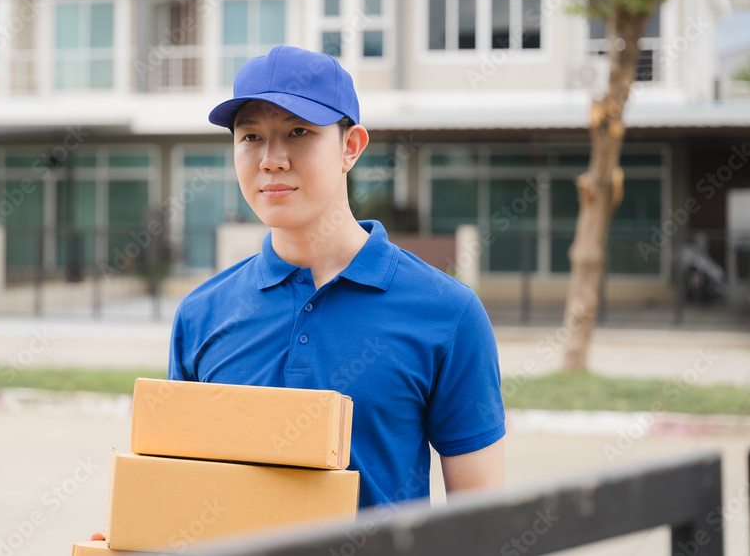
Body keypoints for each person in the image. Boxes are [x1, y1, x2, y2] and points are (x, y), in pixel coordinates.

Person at [166, 46, 506, 510]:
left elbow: (482, 525)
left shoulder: (448, 313)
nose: (271, 159)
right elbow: (182, 498)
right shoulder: (201, 314)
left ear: (350, 147)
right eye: (250, 137)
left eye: (298, 131)